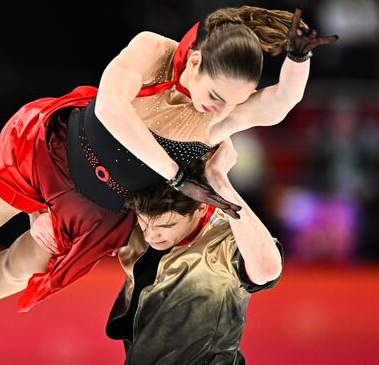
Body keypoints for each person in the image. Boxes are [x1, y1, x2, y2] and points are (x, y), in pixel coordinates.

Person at [0, 6, 337, 353]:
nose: (220, 110)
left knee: (20, 267)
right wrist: (174, 172)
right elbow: (112, 109)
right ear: (194, 62)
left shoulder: (215, 120)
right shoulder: (152, 51)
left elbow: (278, 105)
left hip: (99, 208)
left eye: (233, 103)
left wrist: (297, 60)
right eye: (216, 95)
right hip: (51, 155)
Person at [106, 139, 283, 364]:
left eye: (166, 226)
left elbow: (267, 269)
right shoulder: (142, 212)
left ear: (201, 208)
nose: (150, 236)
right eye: (144, 222)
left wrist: (219, 180)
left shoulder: (227, 238)